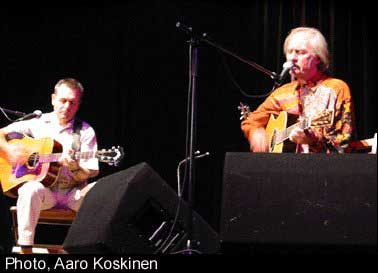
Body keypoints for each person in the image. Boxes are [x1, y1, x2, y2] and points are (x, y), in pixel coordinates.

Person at [0, 78, 99, 254]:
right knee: (30, 188)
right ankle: (26, 250)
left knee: (100, 190)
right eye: (63, 100)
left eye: (72, 102)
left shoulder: (85, 131)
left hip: (72, 194)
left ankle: (88, 250)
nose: (67, 107)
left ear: (78, 104)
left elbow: (91, 171)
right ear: (53, 99)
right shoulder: (36, 123)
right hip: (46, 194)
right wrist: (10, 152)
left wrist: (74, 167)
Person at [241, 27, 355, 153]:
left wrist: (311, 140)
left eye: (300, 52)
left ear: (318, 57)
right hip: (283, 166)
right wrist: (255, 132)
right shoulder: (282, 93)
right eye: (290, 52)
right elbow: (252, 121)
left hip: (324, 168)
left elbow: (342, 143)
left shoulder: (336, 88)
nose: (293, 58)